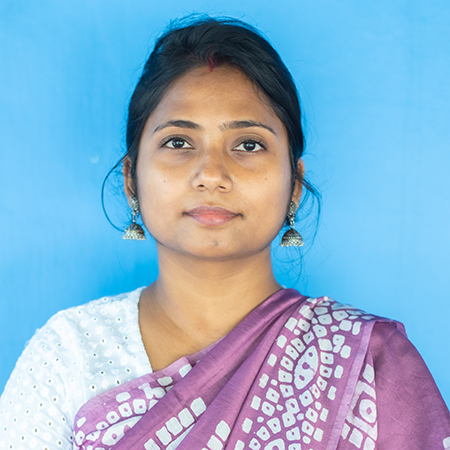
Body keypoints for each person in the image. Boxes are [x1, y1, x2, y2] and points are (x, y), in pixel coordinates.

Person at [1, 16, 449, 450]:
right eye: (178, 142)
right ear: (131, 180)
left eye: (248, 144)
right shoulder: (70, 352)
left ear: (294, 185)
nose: (212, 174)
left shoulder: (369, 361)